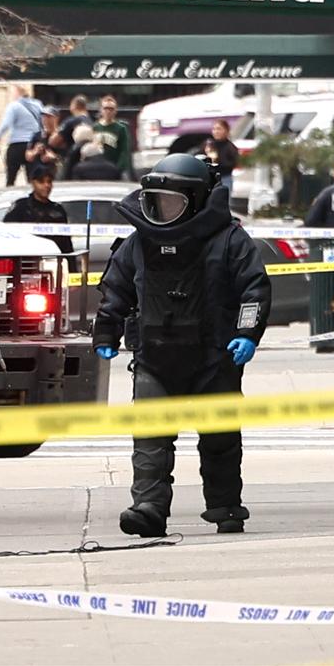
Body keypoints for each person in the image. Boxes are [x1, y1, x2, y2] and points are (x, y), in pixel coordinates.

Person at [93, 154, 272, 537]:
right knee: (150, 438)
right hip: (155, 357)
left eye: (171, 202)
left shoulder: (229, 240)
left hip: (215, 357)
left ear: (195, 200)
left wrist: (247, 333)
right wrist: (106, 332)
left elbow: (254, 289)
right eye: (156, 202)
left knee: (220, 438)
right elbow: (115, 289)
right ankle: (149, 509)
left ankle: (226, 507)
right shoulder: (140, 242)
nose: (162, 211)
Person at [2, 166, 73, 254]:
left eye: (49, 182)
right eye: (41, 182)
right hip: (27, 257)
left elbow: (66, 243)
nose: (46, 185)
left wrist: (70, 261)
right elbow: (8, 234)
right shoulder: (21, 207)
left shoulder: (58, 209)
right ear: (33, 183)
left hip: (54, 257)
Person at [0, 84, 45, 186]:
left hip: (16, 145)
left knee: (11, 177)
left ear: (17, 92)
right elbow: (42, 122)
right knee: (32, 178)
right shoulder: (38, 105)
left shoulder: (14, 106)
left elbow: (6, 124)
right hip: (33, 146)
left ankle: (10, 194)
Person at [91, 94, 135, 181]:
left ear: (115, 111)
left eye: (111, 109)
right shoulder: (94, 127)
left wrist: (118, 168)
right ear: (101, 110)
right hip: (97, 168)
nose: (108, 111)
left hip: (114, 168)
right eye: (105, 108)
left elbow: (124, 151)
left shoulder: (121, 128)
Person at [24, 106, 62, 179]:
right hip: (38, 175)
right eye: (44, 117)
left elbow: (68, 157)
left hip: (56, 175)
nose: (46, 120)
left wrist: (54, 158)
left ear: (56, 118)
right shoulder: (37, 135)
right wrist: (35, 151)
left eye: (49, 117)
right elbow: (28, 157)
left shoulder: (62, 136)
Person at [204, 119, 240, 189]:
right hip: (210, 179)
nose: (216, 132)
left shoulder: (230, 147)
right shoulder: (209, 145)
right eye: (214, 129)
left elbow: (234, 162)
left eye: (219, 129)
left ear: (226, 130)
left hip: (225, 178)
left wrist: (217, 160)